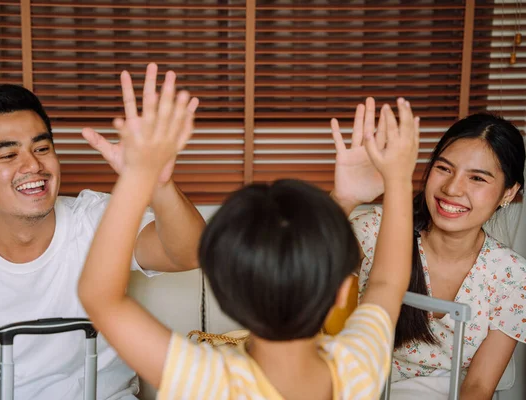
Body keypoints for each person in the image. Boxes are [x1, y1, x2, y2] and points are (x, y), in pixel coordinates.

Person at [77, 57, 420, 400]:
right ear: (343, 293)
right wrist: (397, 180)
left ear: (226, 296)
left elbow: (101, 298)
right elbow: (387, 283)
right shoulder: (359, 366)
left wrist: (140, 173)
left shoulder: (211, 382)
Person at [0, 63, 205, 400]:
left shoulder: (96, 218)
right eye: (9, 154)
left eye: (42, 148)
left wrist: (155, 181)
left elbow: (190, 253)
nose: (33, 166)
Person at [331, 104, 526, 399]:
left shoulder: (512, 276)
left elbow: (478, 387)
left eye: (477, 178)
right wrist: (343, 198)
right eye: (444, 168)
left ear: (508, 193)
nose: (452, 188)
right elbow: (295, 271)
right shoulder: (380, 229)